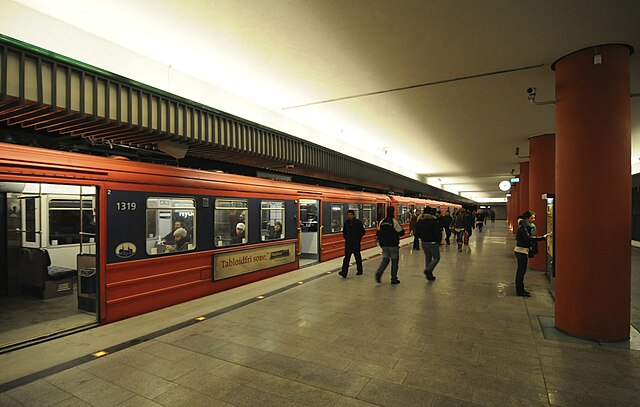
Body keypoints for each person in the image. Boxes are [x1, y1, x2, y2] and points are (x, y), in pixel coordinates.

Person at [514, 211, 549, 297]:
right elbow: (528, 237)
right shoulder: (523, 227)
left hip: (523, 250)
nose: (533, 220)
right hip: (521, 251)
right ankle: (520, 290)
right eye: (532, 218)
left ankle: (520, 289)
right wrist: (543, 238)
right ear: (527, 218)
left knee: (521, 271)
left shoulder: (524, 226)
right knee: (521, 272)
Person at [374, 206, 405, 284]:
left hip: (384, 244)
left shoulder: (382, 221)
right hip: (393, 244)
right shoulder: (394, 222)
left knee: (385, 259)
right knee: (394, 261)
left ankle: (379, 272)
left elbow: (378, 233)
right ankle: (394, 279)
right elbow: (401, 233)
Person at [415, 207, 442, 281]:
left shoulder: (420, 220)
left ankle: (429, 275)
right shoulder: (434, 221)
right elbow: (437, 232)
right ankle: (428, 270)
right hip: (433, 242)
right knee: (436, 258)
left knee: (428, 257)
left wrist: (420, 238)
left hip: (424, 242)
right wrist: (438, 241)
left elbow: (416, 232)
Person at [339, 210, 366, 278]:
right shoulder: (346, 223)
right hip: (348, 244)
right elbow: (344, 232)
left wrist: (358, 238)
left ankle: (360, 270)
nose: (349, 216)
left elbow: (363, 232)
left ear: (353, 215)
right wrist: (346, 238)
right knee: (346, 258)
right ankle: (344, 272)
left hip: (356, 243)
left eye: (350, 214)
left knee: (357, 257)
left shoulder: (358, 222)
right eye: (348, 214)